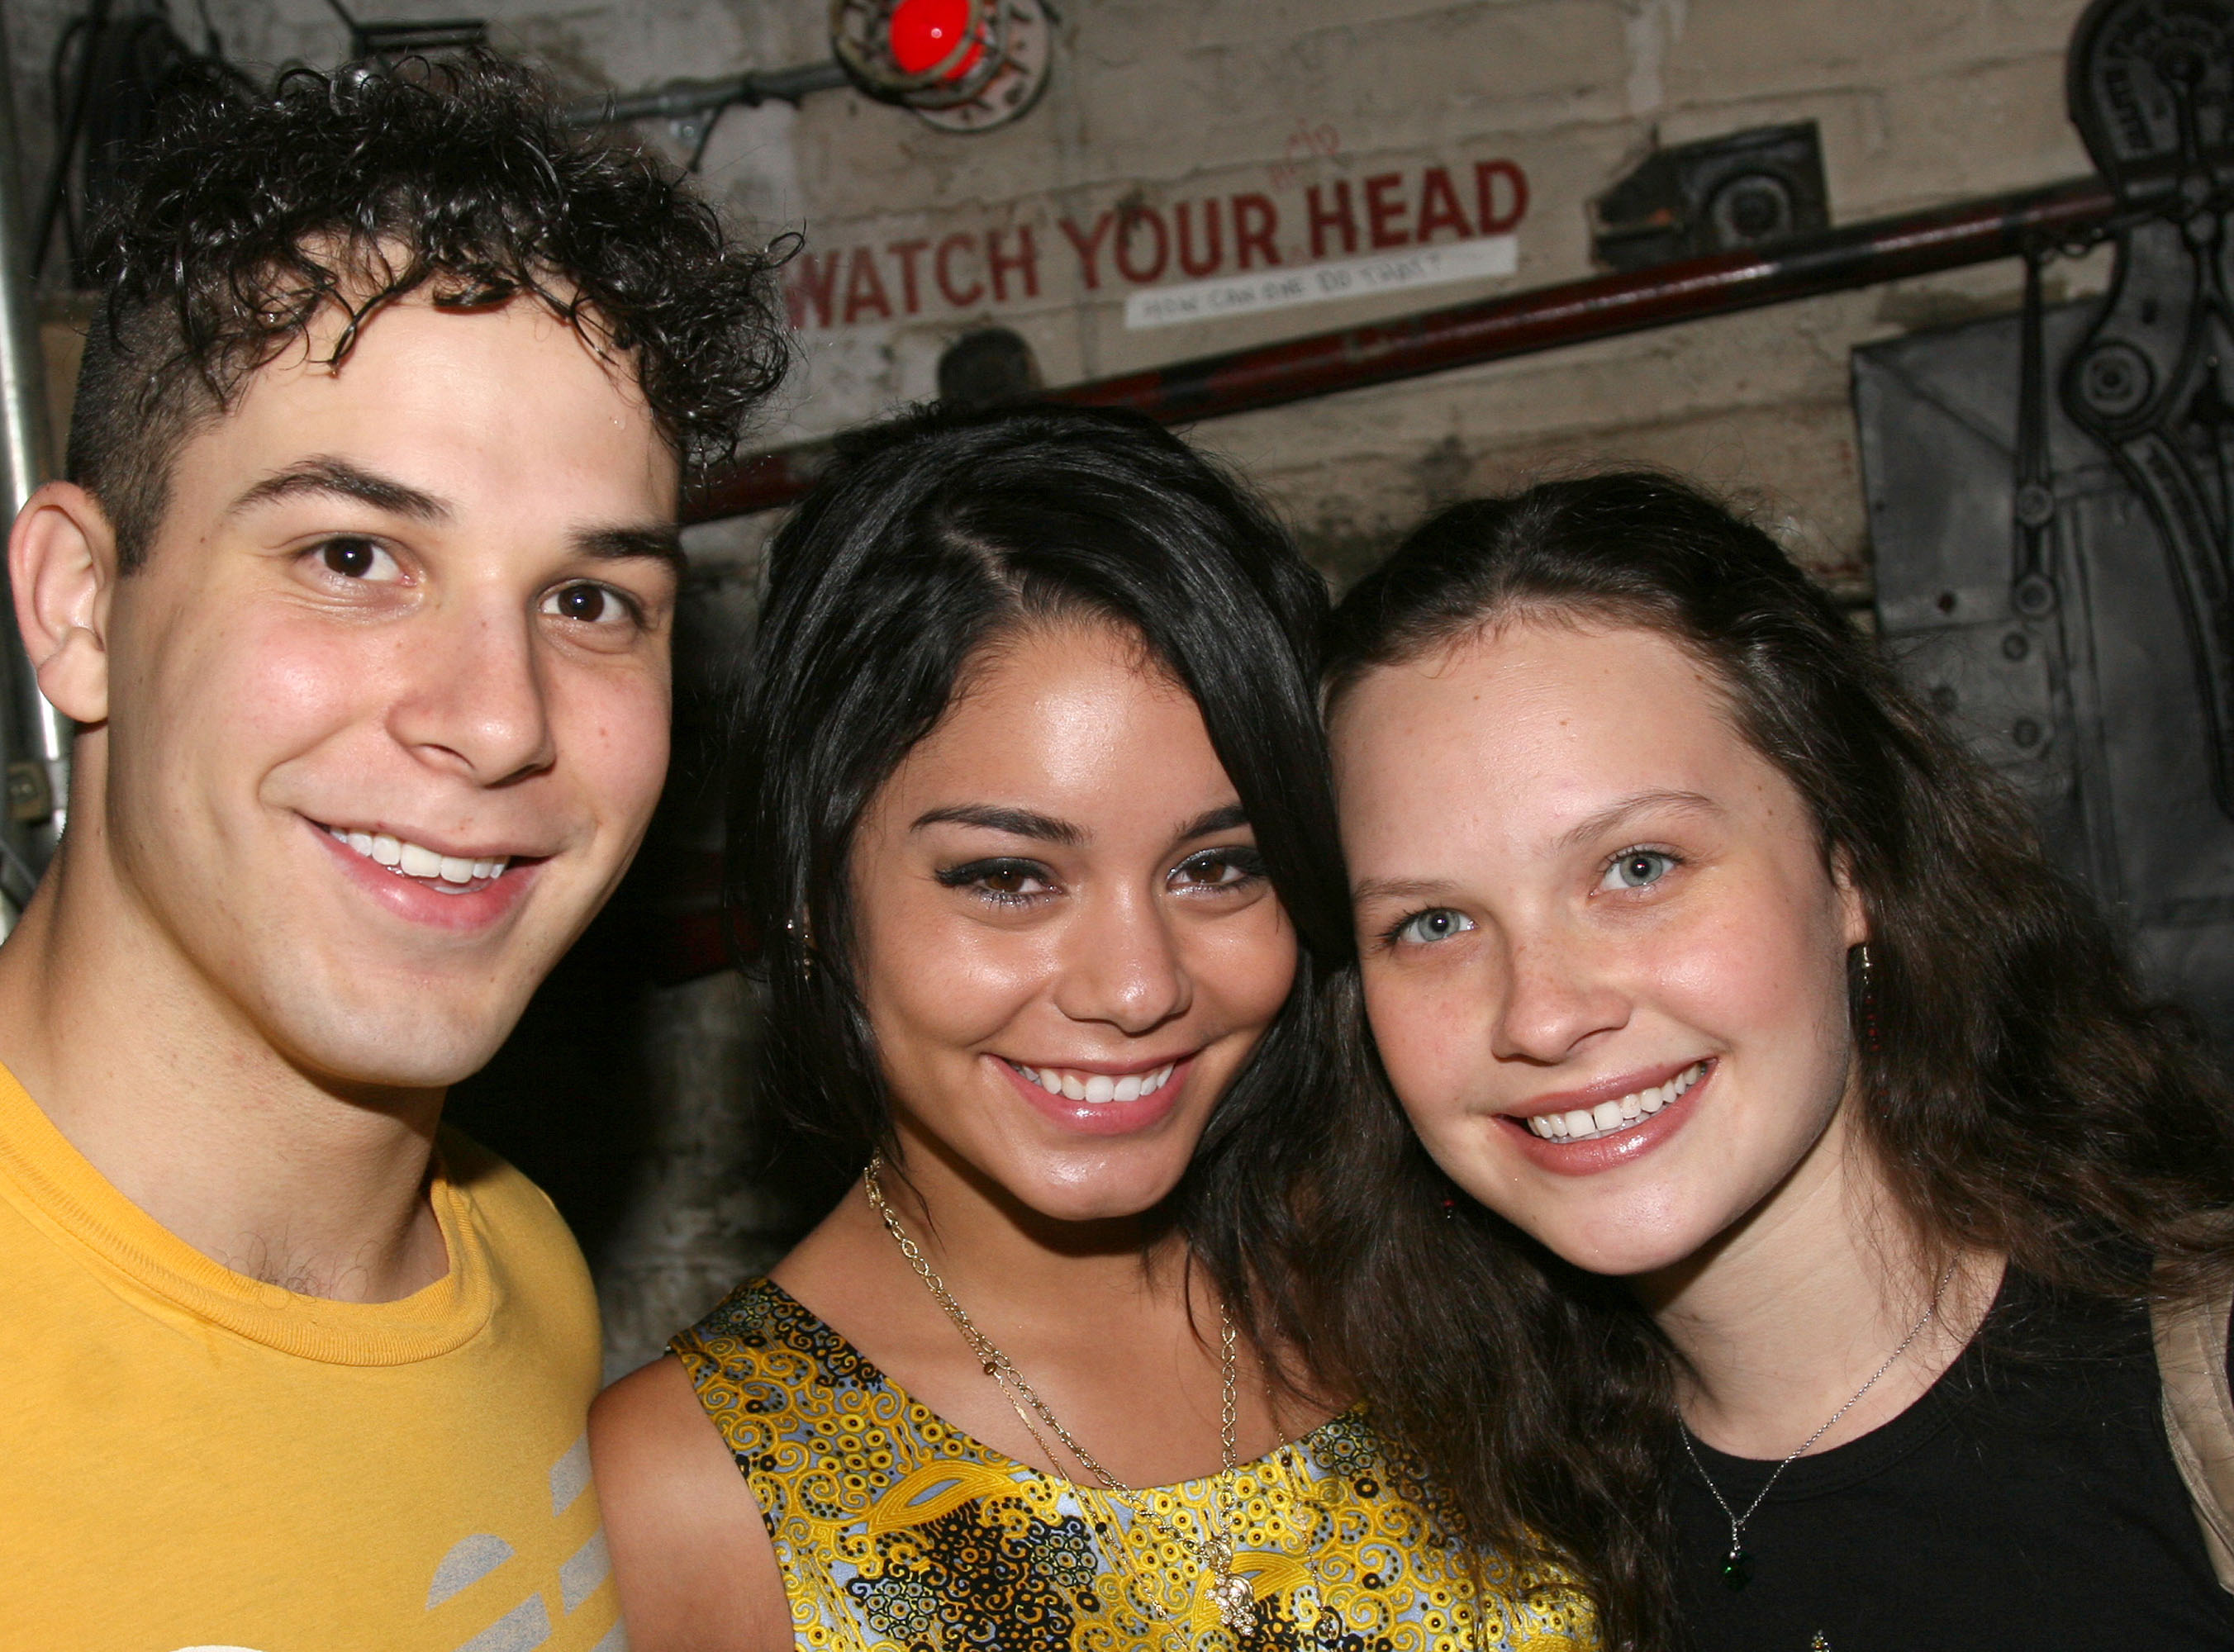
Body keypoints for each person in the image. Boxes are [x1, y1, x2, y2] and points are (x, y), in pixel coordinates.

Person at [0, 55, 786, 1650]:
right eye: (356, 555)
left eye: (590, 601)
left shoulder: (513, 1264)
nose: (501, 721)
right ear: (82, 607)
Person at [588, 402, 1596, 1652]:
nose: (1136, 988)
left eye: (1218, 867)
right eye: (1008, 879)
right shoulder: (687, 1488)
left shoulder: (1456, 1281)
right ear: (814, 903)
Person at [1310, 471, 2234, 1650]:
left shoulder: (2195, 1386)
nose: (1540, 1016)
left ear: (1849, 866)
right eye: (1431, 924)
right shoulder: (1456, 1539)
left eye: (1638, 866)